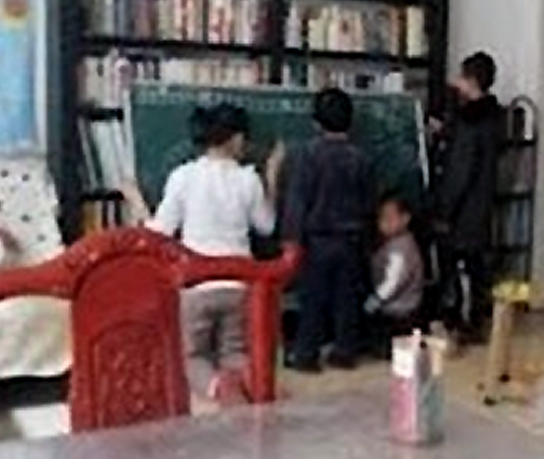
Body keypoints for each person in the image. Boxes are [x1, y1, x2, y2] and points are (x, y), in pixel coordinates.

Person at [142, 103, 283, 405]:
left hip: (198, 285)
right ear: (234, 139)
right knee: (235, 351)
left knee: (191, 356)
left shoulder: (183, 176)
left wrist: (133, 200)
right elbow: (268, 227)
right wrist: (271, 177)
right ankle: (251, 383)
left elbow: (159, 232)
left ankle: (219, 388)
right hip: (239, 284)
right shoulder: (248, 179)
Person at [285, 87, 376, 373]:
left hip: (317, 241)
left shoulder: (307, 155)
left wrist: (291, 240)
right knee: (347, 300)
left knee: (312, 301)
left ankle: (306, 354)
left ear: (316, 122)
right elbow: (368, 202)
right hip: (351, 240)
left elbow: (298, 201)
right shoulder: (362, 159)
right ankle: (345, 351)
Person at [434, 51, 502, 345]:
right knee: (476, 269)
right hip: (482, 206)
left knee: (456, 269)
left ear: (471, 81)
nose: (455, 84)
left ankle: (460, 325)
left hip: (462, 211)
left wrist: (443, 211)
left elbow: (459, 173)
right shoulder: (492, 118)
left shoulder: (469, 124)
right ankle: (477, 321)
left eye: (461, 78)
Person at [363, 194, 425, 355]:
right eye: (382, 219)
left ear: (405, 219)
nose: (385, 224)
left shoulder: (400, 249)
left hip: (400, 308)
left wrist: (377, 299)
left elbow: (394, 281)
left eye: (390, 218)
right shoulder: (397, 243)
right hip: (400, 305)